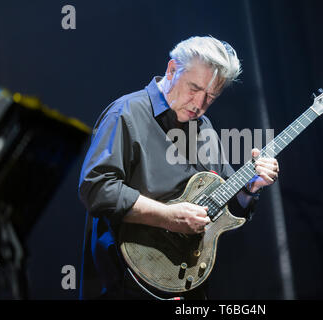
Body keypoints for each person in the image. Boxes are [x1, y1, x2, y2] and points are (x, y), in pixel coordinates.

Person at [78, 36, 280, 300]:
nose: (199, 104)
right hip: (126, 285)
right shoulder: (126, 113)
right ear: (172, 69)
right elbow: (96, 189)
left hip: (188, 287)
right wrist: (167, 216)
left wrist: (250, 188)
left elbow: (226, 207)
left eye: (211, 96)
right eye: (193, 88)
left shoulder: (204, 128)